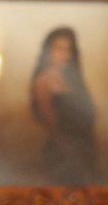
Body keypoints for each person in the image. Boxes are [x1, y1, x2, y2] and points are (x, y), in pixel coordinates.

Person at [30, 27, 100, 186]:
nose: (64, 55)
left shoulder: (73, 80)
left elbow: (90, 113)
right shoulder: (44, 82)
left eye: (68, 50)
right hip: (64, 154)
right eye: (58, 49)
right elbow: (52, 125)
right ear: (48, 51)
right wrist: (72, 154)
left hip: (84, 151)